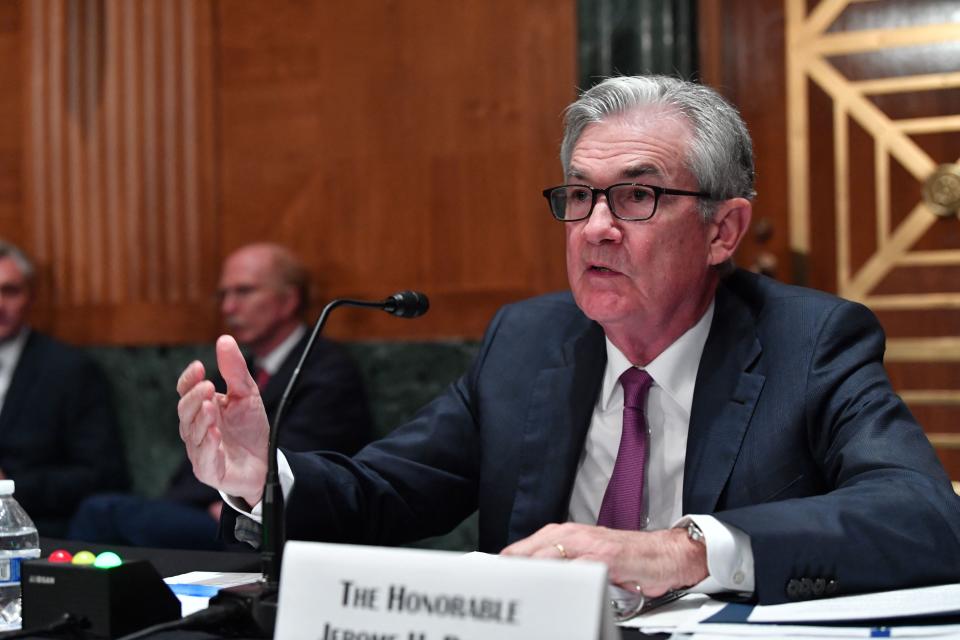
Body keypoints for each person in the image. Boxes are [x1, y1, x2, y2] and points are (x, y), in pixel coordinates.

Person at [177, 77, 960, 603]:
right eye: (580, 195)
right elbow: (385, 492)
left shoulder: (810, 341)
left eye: (639, 196)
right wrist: (259, 477)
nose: (595, 229)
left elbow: (924, 518)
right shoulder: (528, 340)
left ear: (724, 230)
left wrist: (683, 549)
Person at [70, 243, 373, 549]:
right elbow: (196, 459)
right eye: (224, 295)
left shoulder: (326, 369)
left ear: (288, 300)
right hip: (217, 509)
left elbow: (296, 461)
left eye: (244, 292)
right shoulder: (236, 369)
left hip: (281, 526)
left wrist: (233, 502)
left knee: (102, 513)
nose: (228, 307)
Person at [0, 240, 128, 537]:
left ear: (30, 297)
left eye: (10, 291)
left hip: (37, 532)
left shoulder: (69, 370)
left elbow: (104, 475)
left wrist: (11, 486)